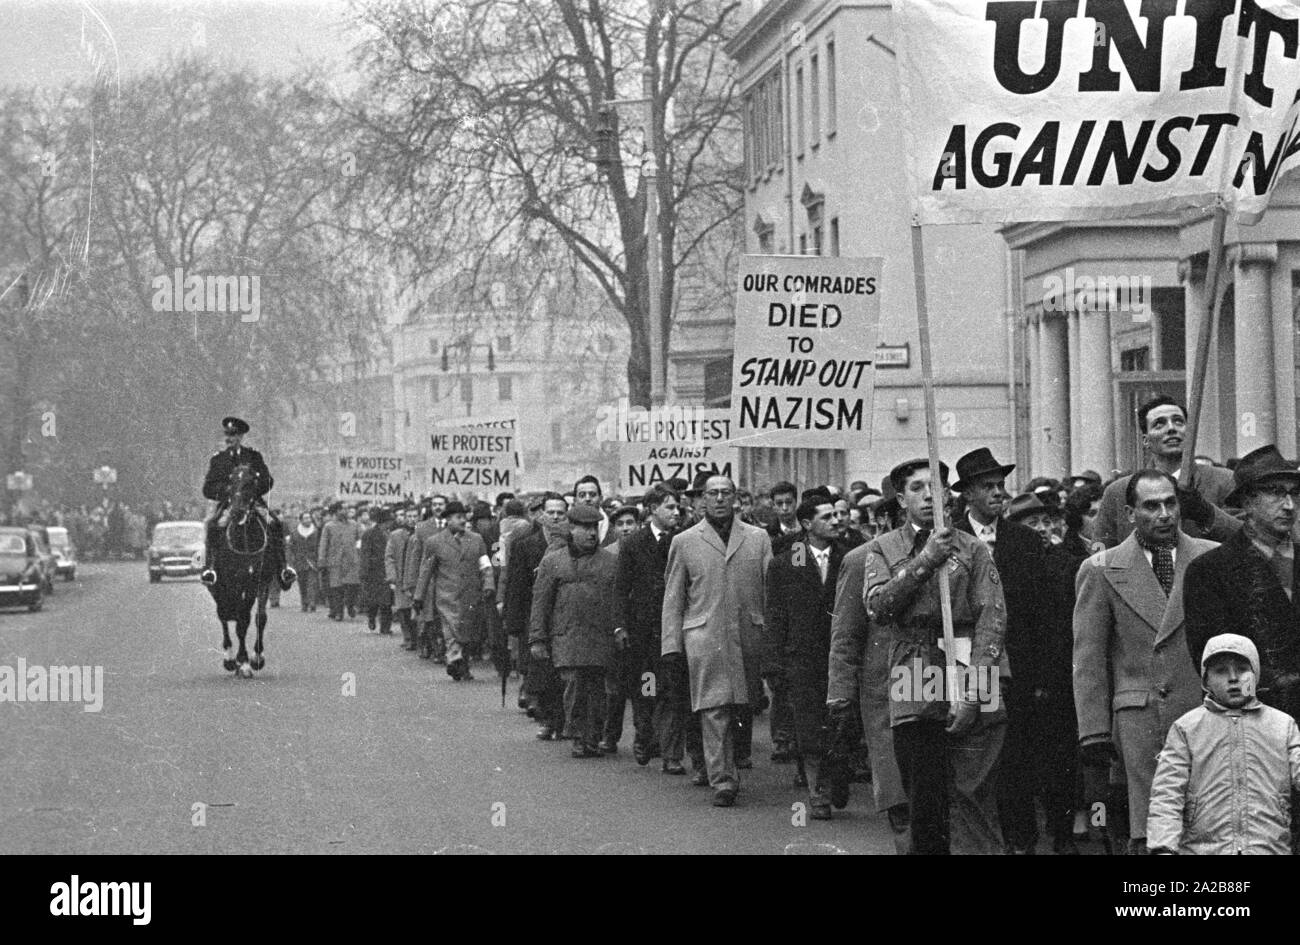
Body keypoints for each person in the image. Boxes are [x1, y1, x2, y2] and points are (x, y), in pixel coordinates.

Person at [830, 458, 1006, 854]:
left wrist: (974, 693)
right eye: (917, 488)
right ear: (901, 499)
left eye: (938, 486)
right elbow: (879, 608)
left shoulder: (974, 550)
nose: (929, 495)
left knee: (975, 793)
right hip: (914, 671)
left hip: (972, 670)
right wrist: (925, 560)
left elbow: (992, 621)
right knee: (924, 799)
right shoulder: (880, 550)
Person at [1073, 470, 1217, 854]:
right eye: (1151, 506)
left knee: (1207, 827)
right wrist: (1094, 738)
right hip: (1139, 724)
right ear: (1130, 512)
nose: (1164, 514)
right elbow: (1088, 661)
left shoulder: (1211, 557)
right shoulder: (1101, 569)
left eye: (1171, 503)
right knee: (1150, 834)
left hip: (1205, 715)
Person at [950, 447, 1046, 854]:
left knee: (1017, 764)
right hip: (965, 665)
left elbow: (1043, 612)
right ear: (967, 494)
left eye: (1001, 486)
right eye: (987, 487)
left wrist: (1041, 677)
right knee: (970, 765)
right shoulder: (948, 539)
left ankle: (1020, 845)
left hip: (1018, 669)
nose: (998, 494)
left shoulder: (1024, 541)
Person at [662, 474, 772, 807]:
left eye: (726, 493)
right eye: (713, 493)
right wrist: (670, 646)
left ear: (736, 498)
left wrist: (773, 639)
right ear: (702, 500)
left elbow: (770, 592)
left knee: (743, 704)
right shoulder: (684, 541)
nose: (720, 499)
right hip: (704, 636)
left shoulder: (757, 538)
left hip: (748, 635)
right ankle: (722, 780)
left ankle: (731, 763)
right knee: (713, 707)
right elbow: (673, 598)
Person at [1147, 634, 1300, 855]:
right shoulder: (1187, 728)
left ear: (1256, 675)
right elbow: (1167, 794)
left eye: (1242, 669)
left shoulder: (1282, 725)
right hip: (1203, 850)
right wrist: (1163, 847)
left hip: (1268, 848)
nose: (1233, 678)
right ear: (1206, 680)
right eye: (1220, 671)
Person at [1184, 445, 1300, 721]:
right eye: (1275, 493)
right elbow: (1217, 660)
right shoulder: (1210, 571)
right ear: (1247, 502)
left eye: (1294, 493)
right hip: (1252, 721)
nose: (1289, 505)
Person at [764, 496, 844, 819]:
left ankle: (835, 776)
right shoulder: (787, 562)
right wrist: (772, 662)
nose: (836, 521)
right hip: (802, 657)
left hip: (840, 655)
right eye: (827, 517)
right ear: (808, 525)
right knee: (809, 725)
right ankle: (817, 792)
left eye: (837, 515)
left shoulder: (851, 557)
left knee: (840, 722)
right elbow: (776, 614)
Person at [610, 485, 692, 770]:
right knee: (646, 689)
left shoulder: (684, 540)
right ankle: (644, 735)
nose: (676, 512)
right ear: (653, 509)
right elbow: (621, 588)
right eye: (669, 507)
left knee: (673, 692)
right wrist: (620, 626)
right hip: (643, 633)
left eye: (677, 507)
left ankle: (671, 756)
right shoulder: (634, 543)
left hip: (675, 628)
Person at [529, 504, 620, 758]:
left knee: (599, 691)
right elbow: (541, 603)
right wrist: (537, 638)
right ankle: (579, 736)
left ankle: (593, 737)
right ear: (572, 529)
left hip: (600, 636)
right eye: (586, 528)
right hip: (567, 636)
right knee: (574, 687)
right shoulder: (552, 561)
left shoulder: (610, 562)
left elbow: (619, 600)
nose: (591, 533)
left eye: (595, 528)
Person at [1094, 396, 1239, 548]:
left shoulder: (1224, 481)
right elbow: (1100, 553)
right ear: (1146, 440)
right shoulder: (1118, 492)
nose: (1171, 428)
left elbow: (1250, 539)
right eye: (1159, 424)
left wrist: (1206, 514)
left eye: (1178, 421)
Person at [200, 416, 293, 589]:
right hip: (229, 504)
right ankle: (210, 569)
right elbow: (207, 488)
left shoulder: (254, 456)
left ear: (241, 437)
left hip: (253, 502)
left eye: (233, 435)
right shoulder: (218, 460)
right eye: (227, 434)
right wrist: (227, 490)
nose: (229, 438)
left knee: (275, 524)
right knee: (213, 525)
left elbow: (268, 480)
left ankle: (283, 569)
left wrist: (253, 488)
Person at [413, 500, 494, 681]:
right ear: (448, 520)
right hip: (447, 597)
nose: (463, 521)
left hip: (471, 596)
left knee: (466, 634)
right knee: (451, 629)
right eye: (458, 517)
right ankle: (453, 658)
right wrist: (418, 596)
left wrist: (488, 585)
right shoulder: (434, 542)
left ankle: (461, 665)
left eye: (464, 517)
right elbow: (426, 571)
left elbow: (485, 565)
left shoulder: (476, 539)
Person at [318, 503, 361, 621]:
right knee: (337, 588)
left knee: (353, 586)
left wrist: (359, 555)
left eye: (347, 508)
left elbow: (360, 540)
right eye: (343, 509)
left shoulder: (354, 524)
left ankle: (351, 605)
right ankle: (338, 612)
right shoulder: (329, 526)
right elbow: (323, 545)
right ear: (336, 511)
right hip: (335, 561)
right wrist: (322, 561)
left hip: (352, 561)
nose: (346, 511)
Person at [386, 507, 417, 649]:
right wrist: (392, 575)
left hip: (416, 578)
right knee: (403, 609)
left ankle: (418, 639)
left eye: (414, 516)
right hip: (401, 577)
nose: (411, 519)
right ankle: (408, 637)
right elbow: (389, 557)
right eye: (408, 516)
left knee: (416, 609)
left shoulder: (422, 534)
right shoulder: (395, 535)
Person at [359, 506, 394, 634]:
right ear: (383, 522)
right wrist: (364, 573)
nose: (390, 523)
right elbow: (365, 554)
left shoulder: (391, 534)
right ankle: (372, 618)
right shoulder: (369, 534)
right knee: (373, 601)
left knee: (386, 602)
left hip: (387, 571)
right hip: (373, 572)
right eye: (388, 521)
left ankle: (385, 627)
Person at [289, 511, 320, 613]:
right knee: (302, 583)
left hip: (313, 561)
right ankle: (304, 603)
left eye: (309, 518)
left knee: (312, 583)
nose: (308, 520)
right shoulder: (295, 533)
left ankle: (312, 603)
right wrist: (292, 560)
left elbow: (320, 546)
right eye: (305, 518)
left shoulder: (316, 531)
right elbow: (291, 547)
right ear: (301, 520)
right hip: (300, 562)